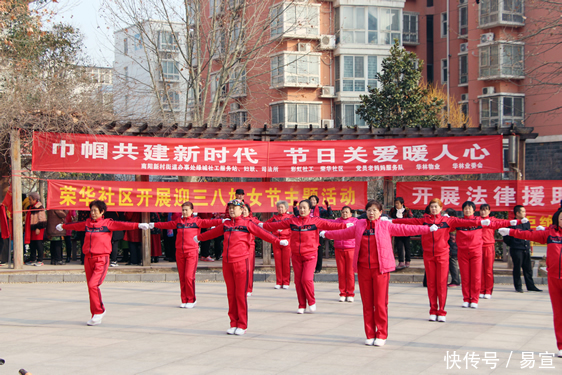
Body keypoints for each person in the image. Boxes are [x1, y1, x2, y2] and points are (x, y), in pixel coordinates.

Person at [321, 200, 438, 346]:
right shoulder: (359, 225)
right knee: (367, 304)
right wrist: (327, 234)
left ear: (380, 212)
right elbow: (343, 233)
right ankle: (370, 334)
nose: (371, 213)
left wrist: (427, 229)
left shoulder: (385, 225)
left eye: (375, 210)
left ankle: (381, 334)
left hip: (380, 270)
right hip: (363, 269)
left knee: (380, 303)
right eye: (369, 210)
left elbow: (406, 229)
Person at [196, 199, 287, 335]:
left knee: (240, 294)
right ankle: (233, 323)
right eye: (230, 208)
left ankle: (242, 324)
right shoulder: (226, 225)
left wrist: (278, 241)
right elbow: (212, 233)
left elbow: (263, 234)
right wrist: (198, 238)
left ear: (242, 209)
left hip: (241, 262)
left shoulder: (247, 223)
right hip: (227, 263)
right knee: (231, 294)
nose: (232, 210)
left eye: (235, 208)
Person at [57, 200, 150, 325]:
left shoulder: (107, 224)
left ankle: (99, 311)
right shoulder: (87, 223)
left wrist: (138, 225)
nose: (93, 213)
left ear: (102, 212)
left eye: (95, 211)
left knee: (93, 285)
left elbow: (123, 224)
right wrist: (63, 226)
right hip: (88, 258)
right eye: (91, 210)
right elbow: (75, 226)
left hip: (101, 258)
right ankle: (95, 313)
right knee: (91, 288)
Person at [390, 198, 482, 321]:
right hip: (428, 256)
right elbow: (409, 221)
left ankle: (442, 311)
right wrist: (392, 220)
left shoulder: (447, 221)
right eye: (432, 206)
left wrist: (482, 222)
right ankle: (433, 310)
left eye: (436, 207)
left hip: (443, 255)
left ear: (441, 208)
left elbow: (465, 222)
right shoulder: (424, 220)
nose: (434, 209)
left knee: (441, 284)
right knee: (431, 284)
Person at [498, 201, 562, 358]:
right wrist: (510, 232)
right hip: (555, 279)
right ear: (557, 220)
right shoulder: (550, 234)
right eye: (561, 218)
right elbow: (529, 234)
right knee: (559, 314)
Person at [262, 199, 349, 314]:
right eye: (300, 208)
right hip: (296, 255)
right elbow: (275, 225)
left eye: (304, 208)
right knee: (298, 282)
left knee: (306, 279)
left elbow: (330, 224)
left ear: (309, 209)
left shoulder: (315, 221)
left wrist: (345, 225)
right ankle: (301, 305)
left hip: (310, 255)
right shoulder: (292, 221)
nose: (302, 210)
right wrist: (260, 225)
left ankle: (311, 301)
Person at [152, 202, 224, 308]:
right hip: (179, 252)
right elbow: (166, 225)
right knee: (182, 277)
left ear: (192, 211)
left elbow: (209, 222)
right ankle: (184, 299)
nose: (184, 212)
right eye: (183, 210)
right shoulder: (179, 222)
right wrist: (153, 224)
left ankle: (191, 299)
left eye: (186, 210)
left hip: (191, 252)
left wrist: (223, 220)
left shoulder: (197, 221)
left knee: (189, 276)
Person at [454, 201, 521, 308]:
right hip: (464, 251)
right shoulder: (460, 221)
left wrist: (513, 222)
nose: (467, 210)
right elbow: (447, 224)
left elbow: (498, 223)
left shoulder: (482, 221)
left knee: (483, 272)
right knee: (467, 276)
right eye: (465, 208)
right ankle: (468, 297)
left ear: (473, 210)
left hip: (481, 249)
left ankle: (481, 295)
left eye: (469, 208)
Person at [479, 203, 522, 298]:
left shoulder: (492, 220)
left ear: (489, 211)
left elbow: (503, 222)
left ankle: (488, 291)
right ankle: (481, 290)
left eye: (485, 210)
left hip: (489, 246)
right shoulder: (477, 220)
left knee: (488, 270)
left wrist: (516, 222)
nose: (483, 212)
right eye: (482, 210)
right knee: (480, 270)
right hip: (478, 247)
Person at [503, 205, 542, 293]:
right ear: (517, 213)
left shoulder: (526, 222)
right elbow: (506, 238)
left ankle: (530, 286)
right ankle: (518, 286)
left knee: (528, 268)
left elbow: (528, 234)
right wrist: (514, 244)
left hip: (525, 247)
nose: (525, 213)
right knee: (517, 268)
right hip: (516, 249)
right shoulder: (511, 223)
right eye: (523, 211)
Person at [292, 195, 333, 273]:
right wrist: (294, 206)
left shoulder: (320, 209)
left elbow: (329, 214)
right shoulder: (306, 209)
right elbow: (297, 213)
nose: (313, 201)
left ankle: (318, 267)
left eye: (314, 200)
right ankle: (309, 267)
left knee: (318, 250)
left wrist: (328, 206)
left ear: (317, 201)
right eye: (311, 200)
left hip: (318, 231)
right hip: (307, 231)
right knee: (309, 250)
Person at [326, 206, 358, 302]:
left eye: (347, 212)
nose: (344, 214)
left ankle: (350, 293)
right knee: (341, 272)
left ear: (351, 214)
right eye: (343, 212)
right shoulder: (337, 221)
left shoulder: (355, 221)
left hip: (351, 248)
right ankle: (342, 293)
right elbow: (329, 227)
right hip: (339, 248)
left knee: (350, 273)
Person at [266, 200, 293, 289]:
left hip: (287, 241)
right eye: (279, 207)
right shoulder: (274, 218)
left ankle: (286, 282)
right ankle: (279, 281)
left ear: (286, 208)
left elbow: (294, 228)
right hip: (276, 241)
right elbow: (266, 225)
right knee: (278, 262)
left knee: (286, 262)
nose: (280, 209)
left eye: (282, 207)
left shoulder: (290, 217)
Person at [389, 197, 414, 269]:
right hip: (397, 230)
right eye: (395, 203)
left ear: (402, 204)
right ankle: (401, 261)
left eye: (398, 203)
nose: (396, 205)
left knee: (407, 246)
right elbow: (390, 218)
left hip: (406, 230)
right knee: (399, 246)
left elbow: (411, 219)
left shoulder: (407, 210)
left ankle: (408, 260)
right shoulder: (393, 210)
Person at [24, 192, 47, 266]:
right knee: (32, 244)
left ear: (35, 199)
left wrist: (39, 227)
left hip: (37, 228)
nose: (29, 201)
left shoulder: (39, 207)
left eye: (30, 199)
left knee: (38, 244)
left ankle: (40, 260)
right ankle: (32, 258)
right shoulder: (30, 207)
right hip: (31, 228)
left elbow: (42, 218)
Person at [444, 208, 460, 288]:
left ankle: (456, 281)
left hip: (452, 244)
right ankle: (455, 280)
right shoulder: (456, 220)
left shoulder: (452, 221)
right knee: (452, 262)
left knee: (452, 262)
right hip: (455, 243)